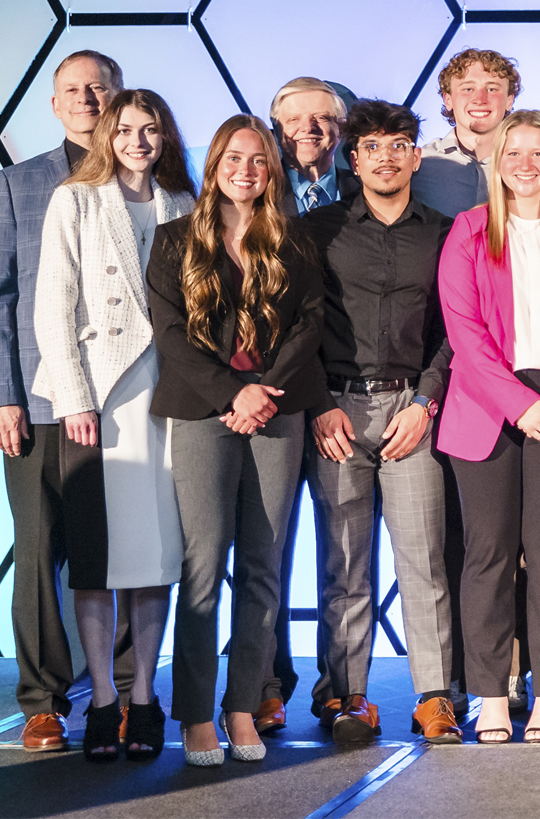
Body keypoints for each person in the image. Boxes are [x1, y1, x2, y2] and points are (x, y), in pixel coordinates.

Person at [149, 114, 327, 766]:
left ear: (271, 171)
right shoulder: (174, 241)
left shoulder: (296, 239)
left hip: (276, 413)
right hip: (203, 414)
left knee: (263, 565)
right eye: (234, 158)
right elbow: (170, 335)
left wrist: (264, 391)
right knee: (203, 565)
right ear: (214, 164)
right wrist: (233, 392)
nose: (246, 170)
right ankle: (197, 716)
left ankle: (243, 708)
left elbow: (310, 325)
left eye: (258, 160)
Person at [29, 87, 193, 762]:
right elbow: (52, 305)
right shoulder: (75, 199)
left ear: (165, 137)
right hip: (99, 395)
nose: (137, 141)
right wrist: (72, 398)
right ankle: (101, 700)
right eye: (126, 129)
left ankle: (145, 699)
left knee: (154, 556)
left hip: (171, 396)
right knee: (95, 560)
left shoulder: (182, 202)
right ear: (108, 135)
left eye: (150, 129)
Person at [299, 100, 460, 745]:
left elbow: (456, 331)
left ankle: (436, 697)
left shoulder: (446, 232)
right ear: (354, 159)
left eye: (399, 145)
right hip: (336, 408)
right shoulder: (318, 231)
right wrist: (317, 403)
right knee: (343, 565)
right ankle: (346, 697)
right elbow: (299, 326)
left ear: (416, 157)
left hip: (413, 411)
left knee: (424, 561)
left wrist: (426, 403)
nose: (387, 156)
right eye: (372, 147)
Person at [0, 49, 125, 753]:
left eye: (98, 86)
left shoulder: (143, 173)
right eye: (73, 89)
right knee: (38, 554)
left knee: (120, 552)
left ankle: (122, 692)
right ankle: (42, 701)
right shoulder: (20, 183)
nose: (87, 98)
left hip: (127, 400)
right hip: (36, 402)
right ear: (54, 103)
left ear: (117, 93)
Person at [434, 109, 540, 745]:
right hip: (484, 407)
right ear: (496, 163)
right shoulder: (469, 231)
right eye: (513, 153)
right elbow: (463, 331)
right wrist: (516, 403)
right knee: (488, 555)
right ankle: (491, 696)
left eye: (539, 153)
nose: (526, 165)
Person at [419, 48, 520, 220]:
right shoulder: (420, 164)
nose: (480, 99)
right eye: (467, 89)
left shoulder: (533, 164)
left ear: (509, 101)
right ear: (448, 100)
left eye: (492, 89)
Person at [271, 77, 357, 216]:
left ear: (340, 128)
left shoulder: (367, 192)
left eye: (321, 117)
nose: (308, 128)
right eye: (294, 119)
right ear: (278, 130)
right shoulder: (258, 195)